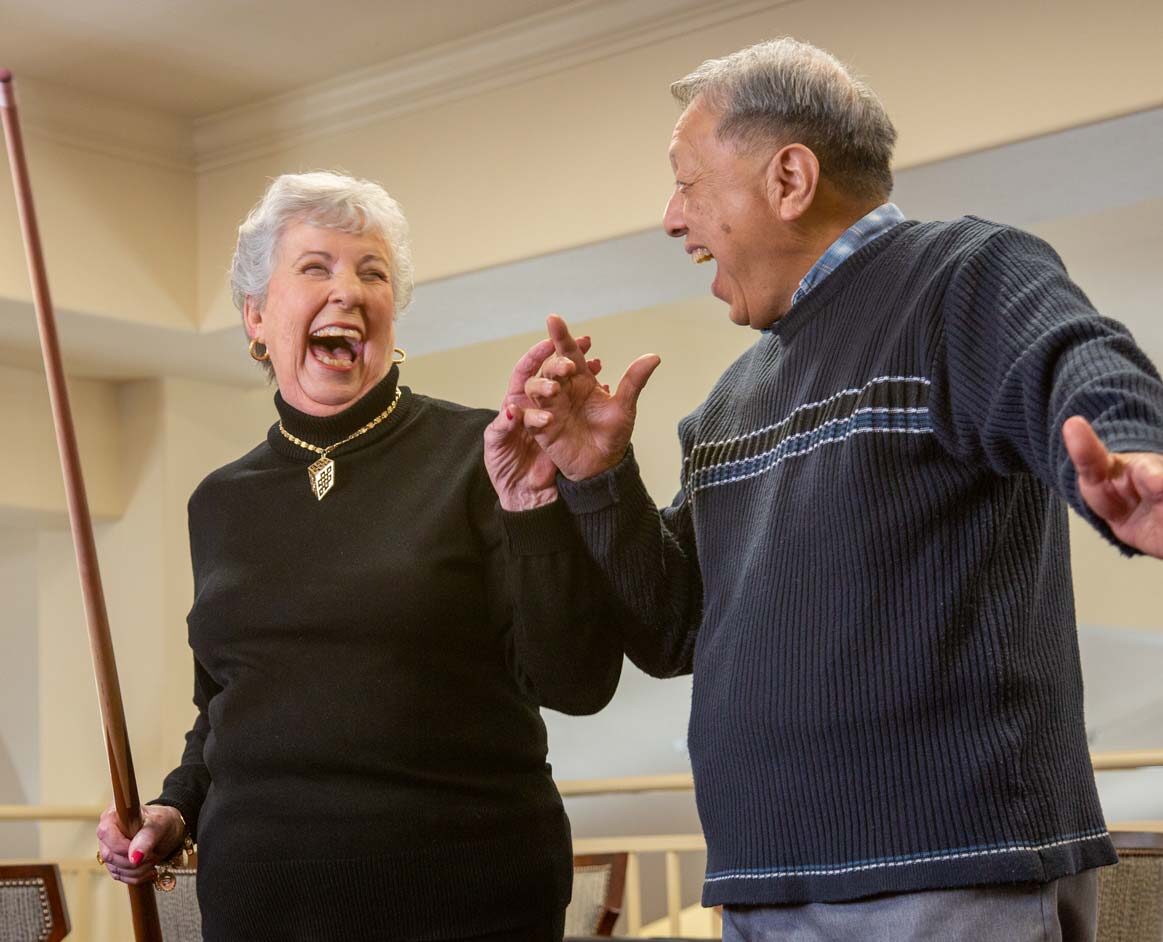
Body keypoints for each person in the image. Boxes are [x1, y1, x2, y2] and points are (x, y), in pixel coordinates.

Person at [499, 38, 1163, 942]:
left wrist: (1134, 452)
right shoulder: (727, 403)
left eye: (687, 182)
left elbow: (1073, 362)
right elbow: (673, 629)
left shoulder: (959, 276)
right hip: (763, 886)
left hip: (947, 871)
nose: (668, 217)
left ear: (788, 179)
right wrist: (596, 477)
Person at [95, 170, 622, 941]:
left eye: (371, 272)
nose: (347, 290)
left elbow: (577, 683)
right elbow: (226, 706)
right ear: (256, 317)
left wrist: (537, 509)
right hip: (258, 907)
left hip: (464, 900)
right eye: (315, 268)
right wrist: (177, 806)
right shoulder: (220, 499)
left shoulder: (486, 455)